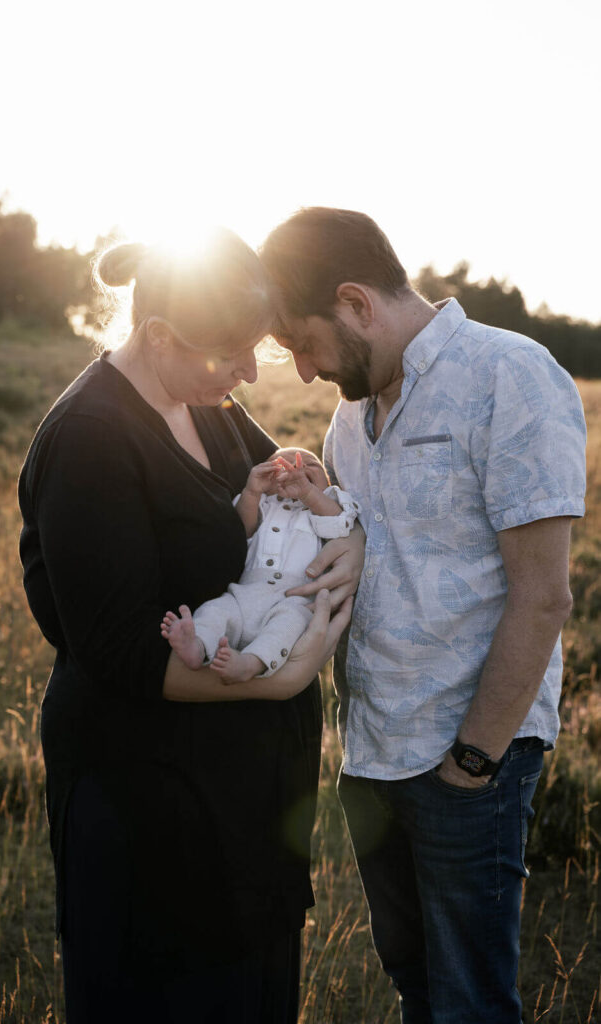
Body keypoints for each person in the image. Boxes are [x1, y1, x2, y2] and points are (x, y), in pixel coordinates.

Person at [18, 228, 363, 1024]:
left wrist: (347, 549)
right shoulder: (89, 440)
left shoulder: (208, 407)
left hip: (242, 800)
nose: (248, 371)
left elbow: (295, 509)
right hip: (146, 804)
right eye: (231, 352)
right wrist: (286, 672)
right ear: (159, 337)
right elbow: (117, 653)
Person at [259, 207, 587, 1024]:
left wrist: (473, 763)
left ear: (356, 303)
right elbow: (362, 548)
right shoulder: (350, 412)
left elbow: (542, 593)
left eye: (304, 344)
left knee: (470, 1004)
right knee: (415, 986)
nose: (301, 372)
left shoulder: (509, 374)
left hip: (466, 760)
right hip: (372, 757)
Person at [161, 447, 360, 682]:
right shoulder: (263, 503)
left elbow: (339, 525)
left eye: (311, 466)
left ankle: (250, 663)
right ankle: (198, 645)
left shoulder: (324, 507)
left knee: (290, 625)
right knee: (215, 610)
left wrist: (308, 493)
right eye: (282, 465)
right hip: (244, 593)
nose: (299, 467)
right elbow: (239, 532)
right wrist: (252, 491)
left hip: (293, 598)